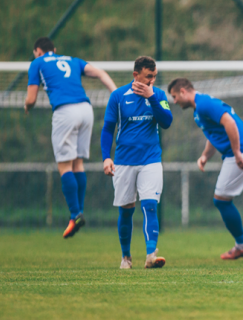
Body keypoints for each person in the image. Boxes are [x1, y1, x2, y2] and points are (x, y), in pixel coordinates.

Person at [25, 37, 116, 239]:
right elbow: (100, 73)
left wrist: (27, 106)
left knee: (64, 167)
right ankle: (78, 212)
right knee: (78, 164)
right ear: (55, 50)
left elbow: (31, 99)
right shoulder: (73, 60)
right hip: (86, 110)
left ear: (37, 51)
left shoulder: (37, 63)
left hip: (65, 112)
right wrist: (115, 93)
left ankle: (75, 214)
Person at [168, 78, 243, 260]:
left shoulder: (203, 104)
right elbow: (215, 133)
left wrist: (236, 153)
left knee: (221, 199)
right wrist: (205, 156)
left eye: (175, 96)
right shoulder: (200, 107)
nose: (175, 101)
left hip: (242, 152)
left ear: (183, 91)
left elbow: (230, 123)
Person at [101, 56, 172, 269]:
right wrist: (106, 157)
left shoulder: (158, 95)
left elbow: (167, 121)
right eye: (148, 76)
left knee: (150, 205)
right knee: (126, 209)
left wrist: (151, 98)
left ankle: (151, 255)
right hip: (124, 161)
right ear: (136, 75)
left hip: (150, 160)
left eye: (154, 76)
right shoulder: (118, 96)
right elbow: (107, 129)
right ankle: (126, 257)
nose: (152, 80)